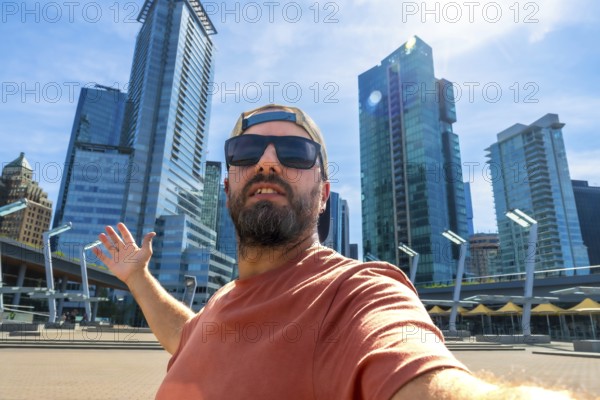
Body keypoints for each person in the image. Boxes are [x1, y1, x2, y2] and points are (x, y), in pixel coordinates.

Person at [94, 104, 574, 399]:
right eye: (247, 151)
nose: (266, 161)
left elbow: (426, 378)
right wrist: (138, 279)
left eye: (295, 154)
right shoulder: (226, 299)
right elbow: (190, 337)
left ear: (323, 194)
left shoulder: (354, 295)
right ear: (227, 186)